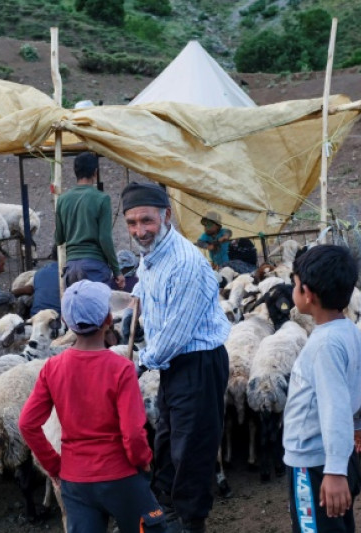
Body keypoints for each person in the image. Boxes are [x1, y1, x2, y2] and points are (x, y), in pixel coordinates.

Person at [121, 182, 230, 533]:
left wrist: (136, 364)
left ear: (166, 216)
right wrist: (131, 302)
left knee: (192, 448)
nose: (140, 230)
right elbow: (145, 284)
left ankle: (193, 521)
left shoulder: (184, 262)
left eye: (147, 221)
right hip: (174, 364)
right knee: (167, 437)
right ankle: (167, 511)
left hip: (196, 361)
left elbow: (174, 335)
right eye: (132, 222)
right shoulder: (150, 253)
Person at [18, 280, 166, 533]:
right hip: (122, 478)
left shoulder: (52, 368)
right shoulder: (121, 368)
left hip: (75, 482)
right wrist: (143, 461)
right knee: (151, 527)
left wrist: (54, 465)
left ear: (67, 321)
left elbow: (27, 424)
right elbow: (132, 432)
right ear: (109, 319)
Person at [283, 244, 361, 533]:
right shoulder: (349, 331)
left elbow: (334, 407)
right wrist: (357, 425)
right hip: (338, 455)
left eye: (294, 284)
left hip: (317, 464)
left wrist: (334, 472)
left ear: (308, 294)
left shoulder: (324, 346)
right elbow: (356, 387)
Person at [55, 151, 125, 289]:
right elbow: (105, 238)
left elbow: (59, 238)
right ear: (95, 172)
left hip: (71, 268)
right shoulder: (102, 199)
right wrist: (117, 271)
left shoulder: (62, 200)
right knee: (97, 308)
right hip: (94, 267)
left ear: (75, 172)